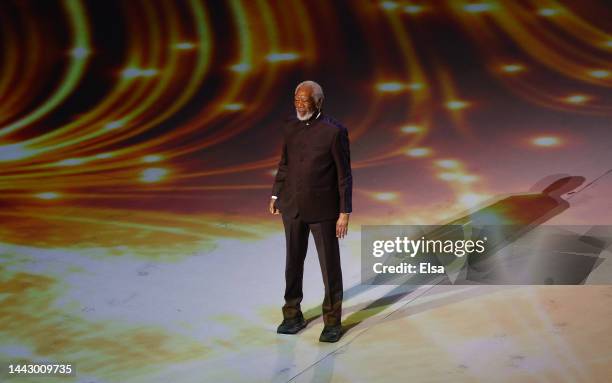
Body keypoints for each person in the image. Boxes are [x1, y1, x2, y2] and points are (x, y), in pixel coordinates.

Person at [268, 80, 353, 343]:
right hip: (292, 206)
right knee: (292, 263)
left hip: (323, 210)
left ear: (318, 102)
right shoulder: (289, 126)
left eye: (305, 100)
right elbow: (285, 163)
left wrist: (344, 212)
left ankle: (332, 322)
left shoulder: (334, 131)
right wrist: (275, 193)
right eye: (296, 99)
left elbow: (344, 175)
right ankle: (292, 315)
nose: (299, 104)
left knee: (330, 267)